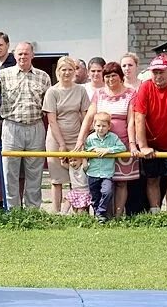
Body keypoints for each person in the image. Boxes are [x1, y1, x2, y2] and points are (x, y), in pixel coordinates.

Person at [0, 41, 52, 209]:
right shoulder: (2, 75)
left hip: (36, 126)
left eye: (26, 53)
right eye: (20, 54)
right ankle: (13, 211)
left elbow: (50, 104)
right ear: (14, 55)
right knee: (10, 172)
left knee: (35, 172)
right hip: (11, 126)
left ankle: (32, 212)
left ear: (32, 55)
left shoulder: (43, 76)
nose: (23, 57)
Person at [74, 62, 138, 217]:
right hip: (99, 144)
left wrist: (132, 144)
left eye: (113, 75)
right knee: (102, 182)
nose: (110, 79)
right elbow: (89, 118)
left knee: (121, 182)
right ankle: (104, 215)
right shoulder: (99, 93)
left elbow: (131, 121)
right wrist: (80, 141)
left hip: (121, 145)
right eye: (107, 76)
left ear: (120, 77)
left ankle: (118, 215)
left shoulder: (131, 93)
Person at [133, 55, 167, 212]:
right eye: (155, 72)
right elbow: (139, 118)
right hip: (151, 143)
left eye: (161, 72)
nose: (158, 76)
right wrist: (143, 146)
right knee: (152, 179)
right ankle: (155, 212)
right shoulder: (145, 87)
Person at [42, 56, 89, 213]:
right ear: (58, 72)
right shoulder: (52, 92)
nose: (67, 73)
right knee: (57, 178)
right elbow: (52, 120)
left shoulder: (81, 90)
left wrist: (83, 139)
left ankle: (77, 210)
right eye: (63, 69)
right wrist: (61, 144)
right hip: (56, 138)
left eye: (70, 69)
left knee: (76, 175)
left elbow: (84, 115)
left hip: (76, 137)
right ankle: (56, 212)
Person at [84, 112, 127, 222]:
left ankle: (100, 212)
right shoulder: (90, 138)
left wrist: (108, 150)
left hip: (107, 173)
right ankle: (98, 217)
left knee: (107, 192)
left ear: (109, 127)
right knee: (94, 196)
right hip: (92, 172)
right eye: (98, 126)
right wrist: (93, 150)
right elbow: (85, 150)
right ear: (94, 126)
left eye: (104, 126)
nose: (101, 128)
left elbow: (122, 148)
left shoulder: (113, 138)